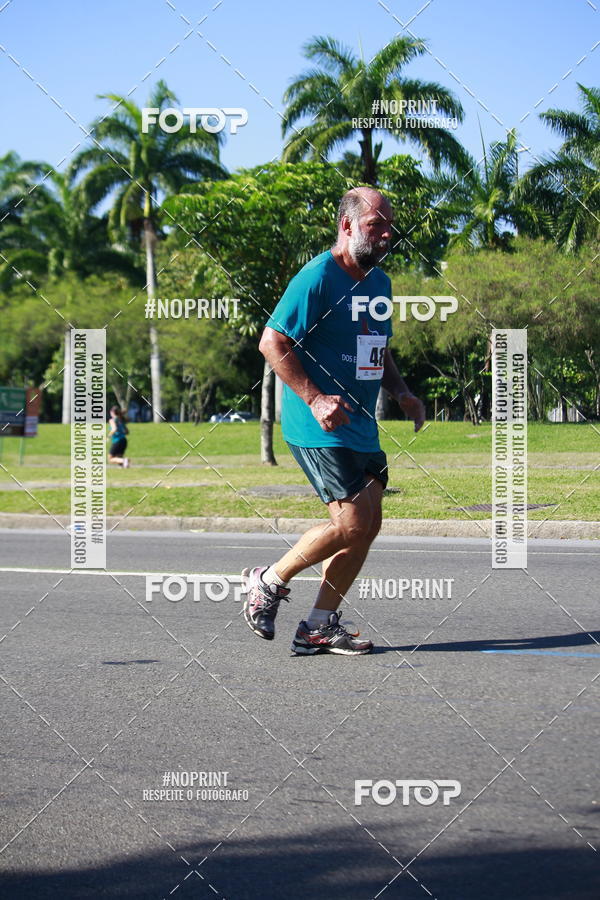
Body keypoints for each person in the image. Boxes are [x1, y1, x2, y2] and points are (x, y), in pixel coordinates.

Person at [242, 187, 425, 656]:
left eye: (389, 227)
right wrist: (316, 398)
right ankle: (269, 580)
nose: (386, 235)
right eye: (374, 226)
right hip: (316, 424)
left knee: (368, 525)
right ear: (346, 226)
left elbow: (376, 349)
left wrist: (402, 393)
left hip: (361, 422)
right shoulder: (317, 277)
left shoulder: (379, 283)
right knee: (352, 521)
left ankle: (319, 625)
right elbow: (272, 343)